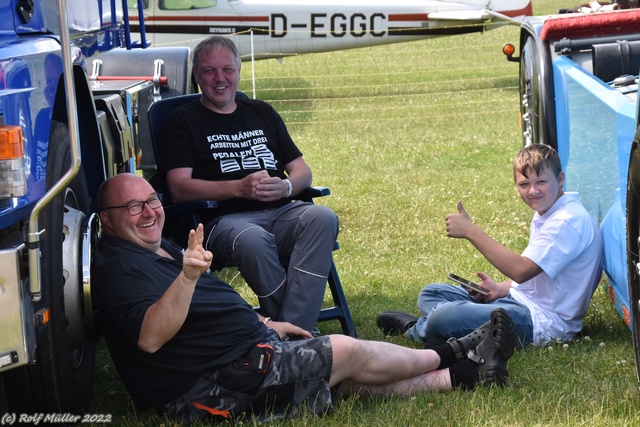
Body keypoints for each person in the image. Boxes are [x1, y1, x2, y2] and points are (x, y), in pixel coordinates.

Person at [93, 173, 517, 423]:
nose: (149, 212)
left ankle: (466, 377)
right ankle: (457, 352)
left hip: (241, 355)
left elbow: (201, 316)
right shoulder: (119, 271)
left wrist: (262, 323)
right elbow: (150, 337)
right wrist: (188, 276)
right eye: (133, 208)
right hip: (207, 390)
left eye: (151, 200)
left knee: (340, 380)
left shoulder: (153, 248)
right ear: (108, 222)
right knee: (343, 352)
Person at [157, 35, 337, 333]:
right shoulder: (182, 121)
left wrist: (288, 188)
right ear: (197, 76)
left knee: (323, 217)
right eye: (209, 71)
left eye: (227, 69)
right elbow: (178, 187)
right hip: (224, 221)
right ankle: (300, 333)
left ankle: (288, 333)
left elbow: (302, 170)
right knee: (253, 239)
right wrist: (238, 188)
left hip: (281, 213)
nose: (220, 78)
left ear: (239, 71)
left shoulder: (261, 112)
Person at [377, 144, 603, 348]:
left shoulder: (567, 221)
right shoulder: (548, 211)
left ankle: (419, 330)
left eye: (541, 182)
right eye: (524, 184)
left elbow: (522, 270)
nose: (533, 191)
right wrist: (501, 289)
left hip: (542, 322)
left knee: (442, 317)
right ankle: (447, 333)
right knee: (432, 293)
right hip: (520, 300)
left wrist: (471, 231)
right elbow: (540, 277)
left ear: (560, 178)